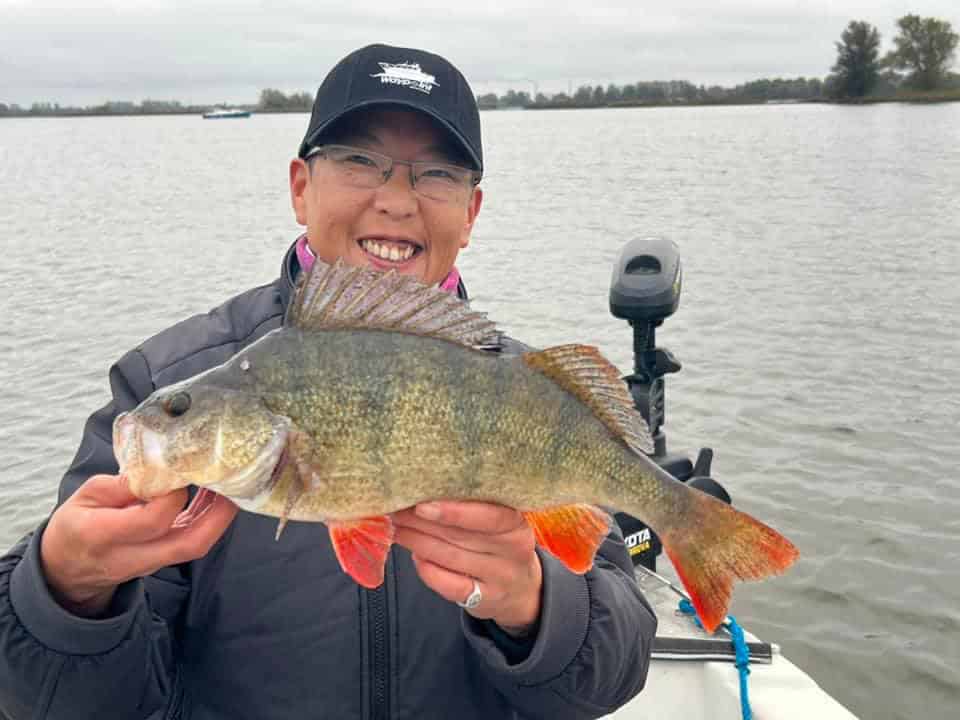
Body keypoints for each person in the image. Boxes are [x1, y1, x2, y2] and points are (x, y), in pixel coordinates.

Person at [0, 43, 656, 719]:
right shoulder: (165, 384)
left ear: (472, 213)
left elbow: (614, 674)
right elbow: (61, 703)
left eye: (435, 173)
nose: (396, 200)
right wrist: (65, 596)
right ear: (300, 187)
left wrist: (540, 609)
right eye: (360, 160)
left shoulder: (525, 393)